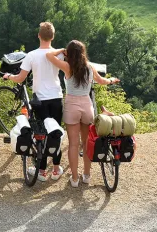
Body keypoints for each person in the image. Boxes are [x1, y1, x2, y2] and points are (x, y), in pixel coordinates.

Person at [46, 40, 119, 188]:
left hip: (71, 107)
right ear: (83, 53)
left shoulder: (68, 67)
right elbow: (102, 81)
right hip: (87, 106)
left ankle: (74, 179)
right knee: (86, 143)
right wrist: (112, 80)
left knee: (73, 144)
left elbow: (48, 55)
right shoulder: (89, 67)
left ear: (70, 53)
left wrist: (61, 50)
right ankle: (86, 176)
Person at [2, 22, 67, 182]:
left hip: (40, 100)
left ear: (39, 35)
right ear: (53, 37)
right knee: (55, 133)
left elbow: (21, 78)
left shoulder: (31, 55)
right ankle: (56, 169)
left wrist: (8, 76)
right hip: (57, 98)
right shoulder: (59, 54)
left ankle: (42, 171)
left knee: (42, 135)